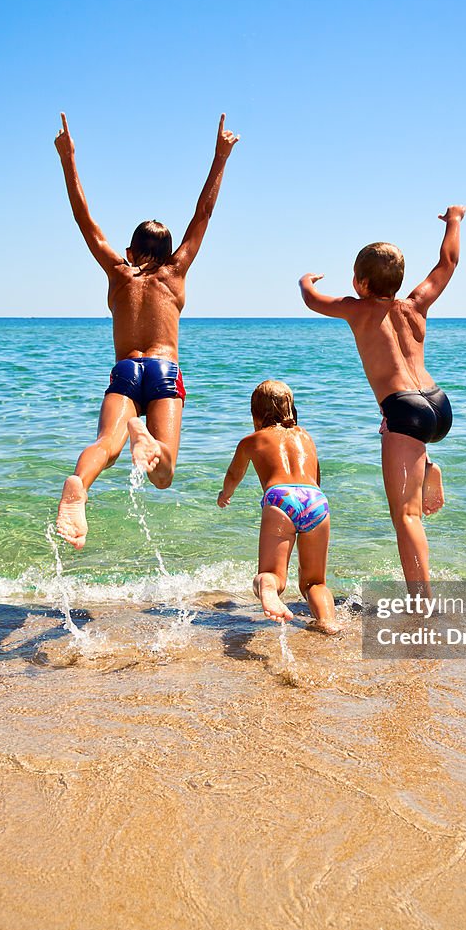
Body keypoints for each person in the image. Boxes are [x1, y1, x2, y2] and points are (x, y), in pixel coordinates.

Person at [54, 112, 239, 549]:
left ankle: (79, 482)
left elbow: (83, 216)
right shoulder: (175, 271)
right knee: (163, 473)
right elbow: (204, 212)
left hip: (125, 371)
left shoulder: (119, 273)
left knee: (104, 444)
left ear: (131, 250)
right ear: (170, 251)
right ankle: (144, 437)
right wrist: (220, 157)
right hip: (163, 371)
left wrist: (68, 159)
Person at [298, 206, 466, 594]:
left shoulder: (356, 309)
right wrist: (455, 220)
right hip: (438, 405)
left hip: (405, 412)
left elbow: (311, 299)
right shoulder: (416, 305)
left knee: (406, 516)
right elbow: (448, 261)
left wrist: (306, 280)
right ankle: (427, 466)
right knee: (403, 452)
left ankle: (420, 602)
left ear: (359, 282)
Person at [217, 381, 340, 634]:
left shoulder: (251, 440)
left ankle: (269, 589)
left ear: (255, 413)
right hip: (316, 500)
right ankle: (328, 622)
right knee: (315, 582)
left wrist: (225, 494)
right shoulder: (306, 437)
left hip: (280, 499)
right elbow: (316, 477)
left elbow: (233, 474)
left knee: (273, 574)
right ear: (292, 409)